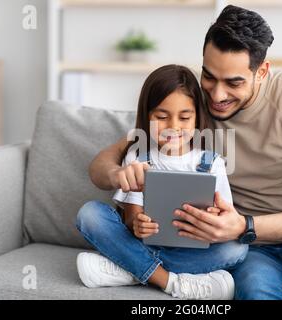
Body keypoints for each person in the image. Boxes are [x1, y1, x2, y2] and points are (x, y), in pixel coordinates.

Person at [86, 5, 282, 300]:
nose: (218, 94)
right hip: (252, 253)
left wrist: (246, 225)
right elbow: (109, 161)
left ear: (262, 71)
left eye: (234, 82)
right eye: (209, 76)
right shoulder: (192, 108)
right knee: (254, 288)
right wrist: (118, 174)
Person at [76, 64, 248, 300]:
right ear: (147, 115)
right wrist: (138, 223)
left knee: (238, 248)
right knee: (90, 214)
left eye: (185, 117)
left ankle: (131, 270)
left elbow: (224, 220)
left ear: (197, 116)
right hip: (143, 245)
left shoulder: (212, 162)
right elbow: (131, 218)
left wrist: (212, 220)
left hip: (190, 249)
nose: (173, 127)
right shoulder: (139, 155)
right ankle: (171, 282)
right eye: (161, 116)